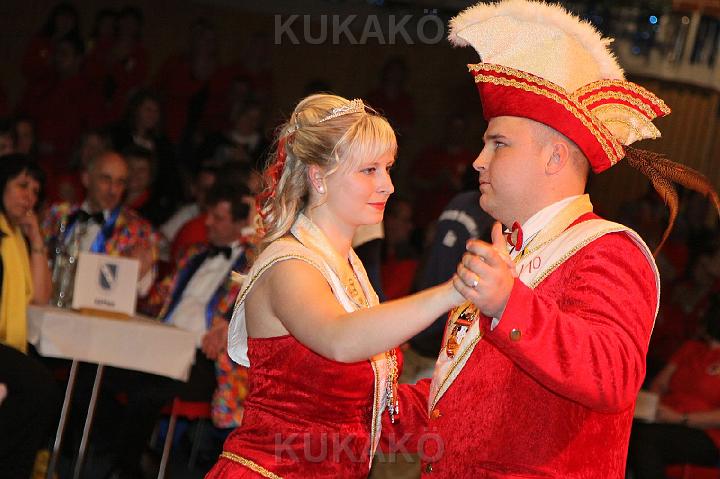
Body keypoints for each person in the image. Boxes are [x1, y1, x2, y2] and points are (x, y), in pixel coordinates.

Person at [382, 1, 718, 477]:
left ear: (554, 158)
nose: (478, 160)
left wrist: (508, 303)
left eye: (498, 143)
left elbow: (612, 375)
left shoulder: (610, 249)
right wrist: (366, 396)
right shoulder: (509, 250)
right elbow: (455, 409)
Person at [206, 94, 465, 478]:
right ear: (318, 178)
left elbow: (370, 414)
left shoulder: (349, 270)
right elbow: (339, 339)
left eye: (388, 168)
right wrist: (455, 290)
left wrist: (468, 387)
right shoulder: (289, 264)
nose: (388, 186)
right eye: (369, 170)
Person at [91, 182, 254, 479]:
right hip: (160, 343)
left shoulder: (253, 266)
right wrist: (142, 273)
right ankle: (134, 455)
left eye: (218, 218)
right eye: (208, 215)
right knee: (97, 371)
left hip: (204, 359)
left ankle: (125, 468)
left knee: (147, 390)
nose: (207, 222)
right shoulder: (193, 254)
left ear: (241, 223)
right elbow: (156, 300)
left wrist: (230, 325)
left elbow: (255, 311)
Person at [0, 154, 57, 479]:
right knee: (39, 386)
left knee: (38, 386)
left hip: (7, 344)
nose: (29, 197)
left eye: (35, 191)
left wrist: (36, 239)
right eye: (22, 186)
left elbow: (40, 297)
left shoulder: (15, 237)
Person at [42, 150, 158, 297]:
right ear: (86, 179)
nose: (113, 190)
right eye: (105, 179)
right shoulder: (58, 215)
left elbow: (144, 290)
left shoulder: (137, 230)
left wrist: (140, 272)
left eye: (120, 182)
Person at [628, 294, 720, 478]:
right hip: (664, 418)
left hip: (704, 432)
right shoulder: (690, 348)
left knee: (646, 439)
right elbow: (659, 384)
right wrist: (653, 409)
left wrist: (680, 418)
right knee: (628, 429)